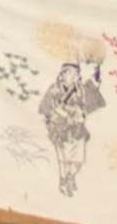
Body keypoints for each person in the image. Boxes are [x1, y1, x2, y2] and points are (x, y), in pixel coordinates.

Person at [38, 58, 107, 198]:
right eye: (72, 73)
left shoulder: (80, 89)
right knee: (63, 159)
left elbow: (92, 88)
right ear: (63, 74)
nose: (75, 76)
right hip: (60, 128)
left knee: (79, 161)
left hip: (77, 129)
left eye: (76, 74)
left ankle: (70, 177)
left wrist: (97, 70)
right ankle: (64, 182)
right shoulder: (54, 89)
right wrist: (61, 114)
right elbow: (48, 108)